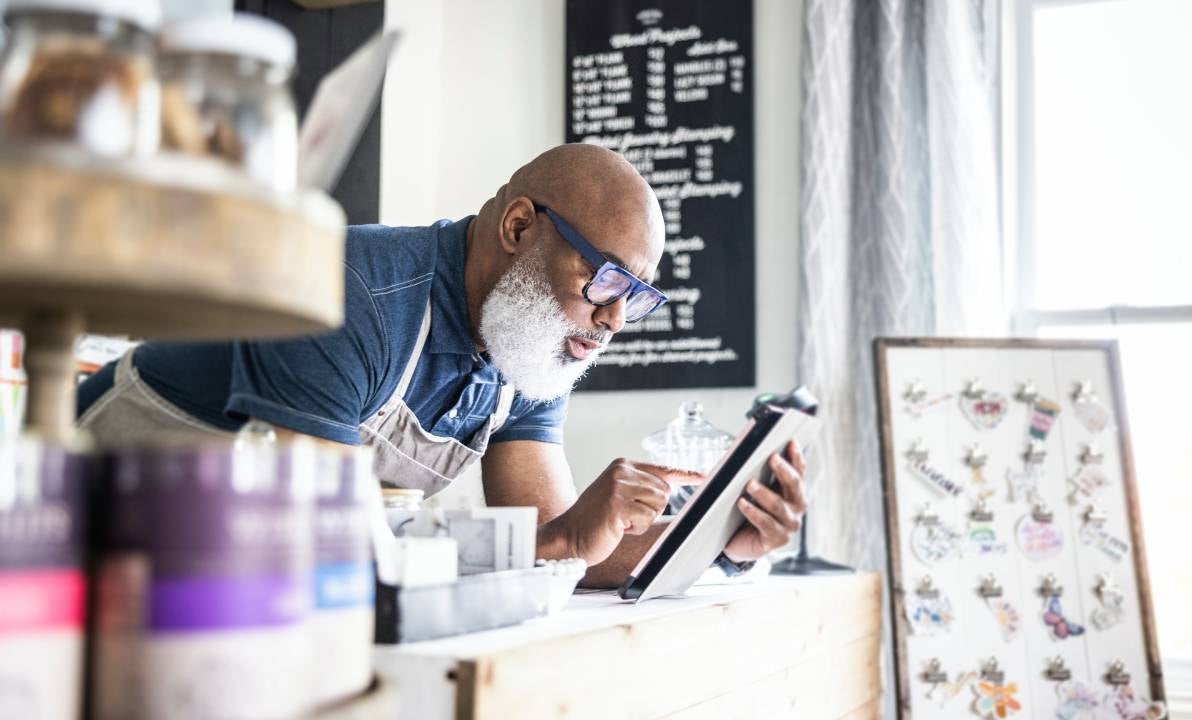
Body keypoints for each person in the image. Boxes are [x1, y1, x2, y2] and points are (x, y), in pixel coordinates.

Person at [75, 143, 807, 586]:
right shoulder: (350, 291)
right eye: (606, 280)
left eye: (637, 297)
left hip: (216, 566)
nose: (614, 320)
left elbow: (561, 549)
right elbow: (324, 553)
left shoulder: (528, 350)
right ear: (520, 227)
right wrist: (551, 545)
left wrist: (721, 542)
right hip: (92, 516)